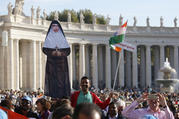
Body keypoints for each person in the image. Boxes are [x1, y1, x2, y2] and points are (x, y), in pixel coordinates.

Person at [42, 20, 71, 99]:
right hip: (51, 64)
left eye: (56, 26)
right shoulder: (49, 36)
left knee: (61, 81)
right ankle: (53, 96)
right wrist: (53, 53)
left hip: (61, 64)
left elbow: (68, 51)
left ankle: (62, 96)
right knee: (52, 81)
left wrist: (60, 53)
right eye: (53, 26)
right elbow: (44, 49)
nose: (55, 27)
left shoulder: (62, 37)